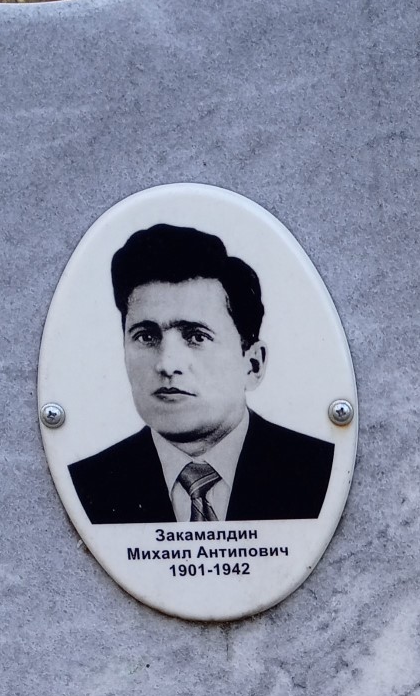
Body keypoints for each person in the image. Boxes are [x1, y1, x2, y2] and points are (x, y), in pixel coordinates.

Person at [68, 223, 335, 523]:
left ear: (252, 364)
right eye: (146, 336)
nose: (167, 364)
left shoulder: (321, 472)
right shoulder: (87, 486)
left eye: (196, 336)